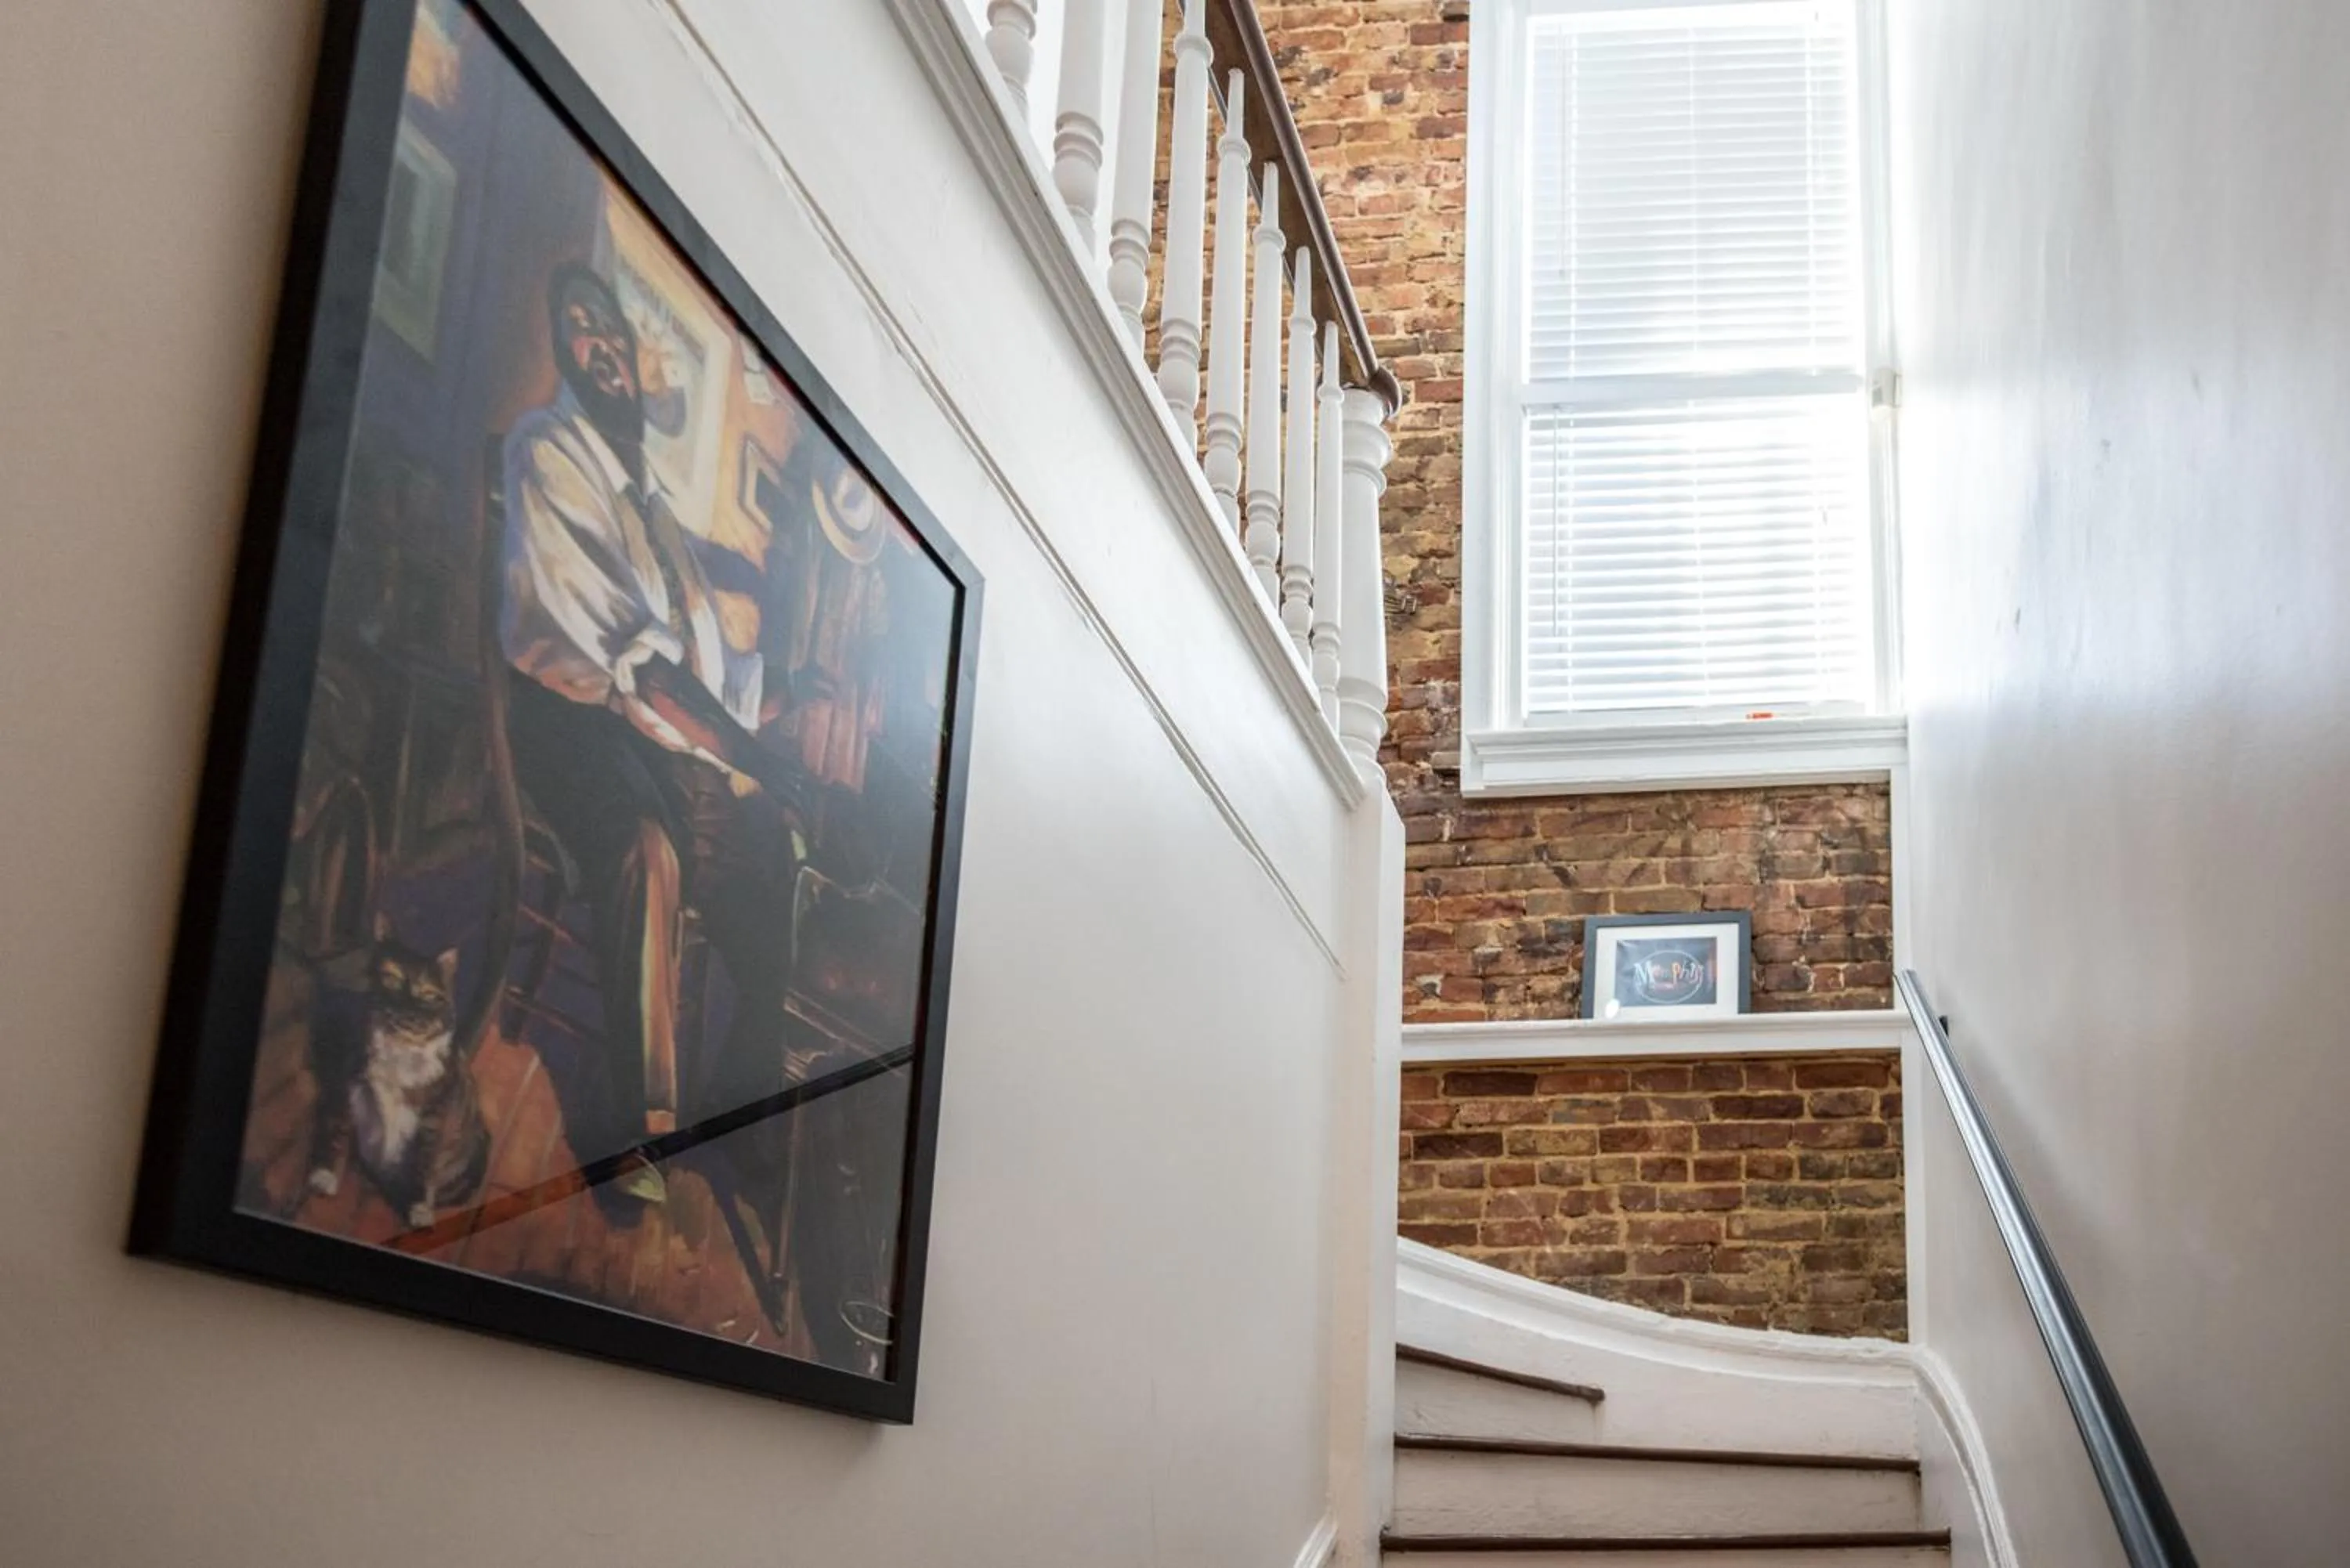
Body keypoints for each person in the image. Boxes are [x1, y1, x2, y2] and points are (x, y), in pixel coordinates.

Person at [497, 262, 803, 1206]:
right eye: (579, 328)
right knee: (646, 848)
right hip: (568, 719)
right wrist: (754, 757)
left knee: (775, 857)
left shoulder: (655, 511)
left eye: (610, 329)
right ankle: (641, 1134)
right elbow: (640, 669)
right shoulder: (550, 453)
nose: (602, 346)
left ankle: (739, 1100)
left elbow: (709, 675)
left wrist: (779, 703)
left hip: (658, 743)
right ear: (567, 354)